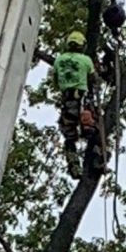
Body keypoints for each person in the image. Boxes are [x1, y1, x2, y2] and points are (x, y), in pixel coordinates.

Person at [51, 32, 104, 177]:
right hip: (82, 103)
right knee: (94, 131)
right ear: (82, 45)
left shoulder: (58, 60)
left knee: (69, 137)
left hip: (67, 104)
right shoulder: (86, 60)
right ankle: (97, 161)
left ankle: (74, 167)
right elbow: (94, 80)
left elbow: (55, 82)